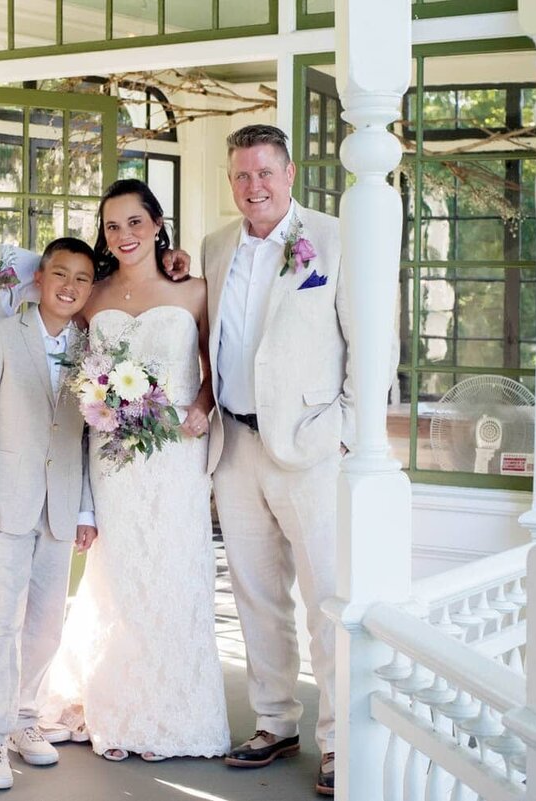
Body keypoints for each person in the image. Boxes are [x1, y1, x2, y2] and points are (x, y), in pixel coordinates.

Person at [0, 143, 191, 750]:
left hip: (41, 486)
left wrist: (170, 258)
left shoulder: (37, 282)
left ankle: (22, 713)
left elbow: (73, 272)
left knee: (36, 616)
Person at [46, 178, 229, 762]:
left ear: (156, 223)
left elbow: (214, 370)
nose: (123, 235)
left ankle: (169, 715)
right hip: (114, 457)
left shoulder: (196, 290)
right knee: (119, 578)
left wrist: (201, 410)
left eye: (133, 222)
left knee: (174, 575)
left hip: (176, 454)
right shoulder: (93, 297)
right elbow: (58, 348)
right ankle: (119, 710)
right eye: (111, 226)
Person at [201, 124, 353, 797]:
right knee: (256, 592)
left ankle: (341, 741)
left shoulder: (335, 237)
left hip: (310, 446)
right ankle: (274, 721)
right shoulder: (214, 246)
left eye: (264, 173)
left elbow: (374, 341)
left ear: (289, 173)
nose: (253, 187)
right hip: (234, 442)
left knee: (327, 596)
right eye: (241, 175)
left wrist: (344, 428)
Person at [0, 237, 99, 789]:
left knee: (45, 626)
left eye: (81, 278)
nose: (69, 286)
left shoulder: (91, 349)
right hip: (3, 505)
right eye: (59, 274)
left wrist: (86, 507)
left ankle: (23, 717)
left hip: (60, 505)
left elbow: (88, 438)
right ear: (39, 277)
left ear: (90, 287)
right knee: (0, 624)